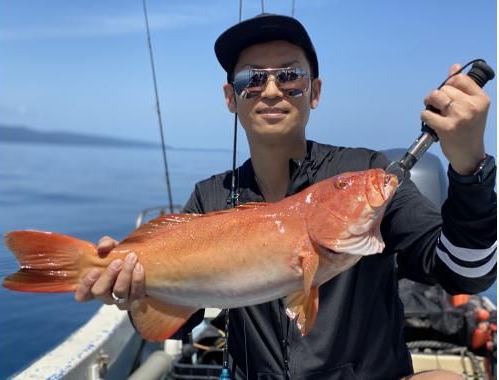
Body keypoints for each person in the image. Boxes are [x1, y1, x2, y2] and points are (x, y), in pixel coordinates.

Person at [75, 14, 496, 380]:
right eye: (251, 78)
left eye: (290, 76)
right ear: (231, 98)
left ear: (314, 91)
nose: (272, 89)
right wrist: (132, 290)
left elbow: (466, 272)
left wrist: (468, 165)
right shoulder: (210, 196)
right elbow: (176, 324)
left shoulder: (364, 171)